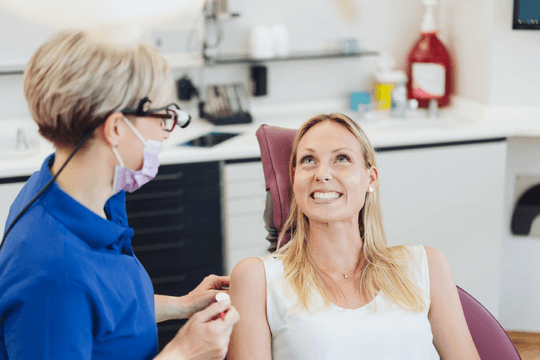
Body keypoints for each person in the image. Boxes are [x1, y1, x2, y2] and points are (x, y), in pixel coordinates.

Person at [0, 29, 238, 360]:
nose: (165, 133)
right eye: (163, 115)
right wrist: (184, 353)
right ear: (116, 128)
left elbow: (102, 311)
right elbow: (71, 302)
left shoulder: (78, 194)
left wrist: (182, 305)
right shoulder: (51, 274)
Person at [228, 113, 481, 359]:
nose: (322, 174)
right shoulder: (257, 279)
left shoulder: (426, 265)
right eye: (308, 160)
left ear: (371, 179)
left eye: (341, 158)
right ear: (294, 179)